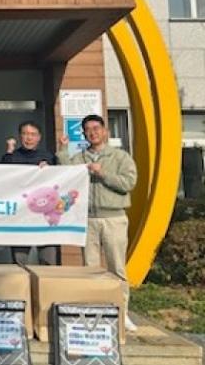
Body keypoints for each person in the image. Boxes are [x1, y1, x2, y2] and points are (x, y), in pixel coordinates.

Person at [57, 114, 138, 332]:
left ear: (105, 131)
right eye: (88, 130)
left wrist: (103, 173)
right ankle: (94, 309)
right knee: (90, 268)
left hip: (114, 218)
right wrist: (63, 150)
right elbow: (66, 173)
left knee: (116, 267)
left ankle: (122, 311)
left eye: (96, 128)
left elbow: (128, 183)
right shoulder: (80, 157)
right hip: (88, 219)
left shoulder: (120, 156)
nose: (92, 133)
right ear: (84, 134)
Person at [1, 121, 58, 266]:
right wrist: (9, 151)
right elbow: (3, 176)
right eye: (25, 134)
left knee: (48, 260)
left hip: (44, 215)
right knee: (20, 261)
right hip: (20, 215)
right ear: (20, 136)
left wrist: (50, 170)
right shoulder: (12, 156)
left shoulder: (48, 157)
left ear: (39, 137)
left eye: (33, 134)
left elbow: (60, 179)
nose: (29, 138)